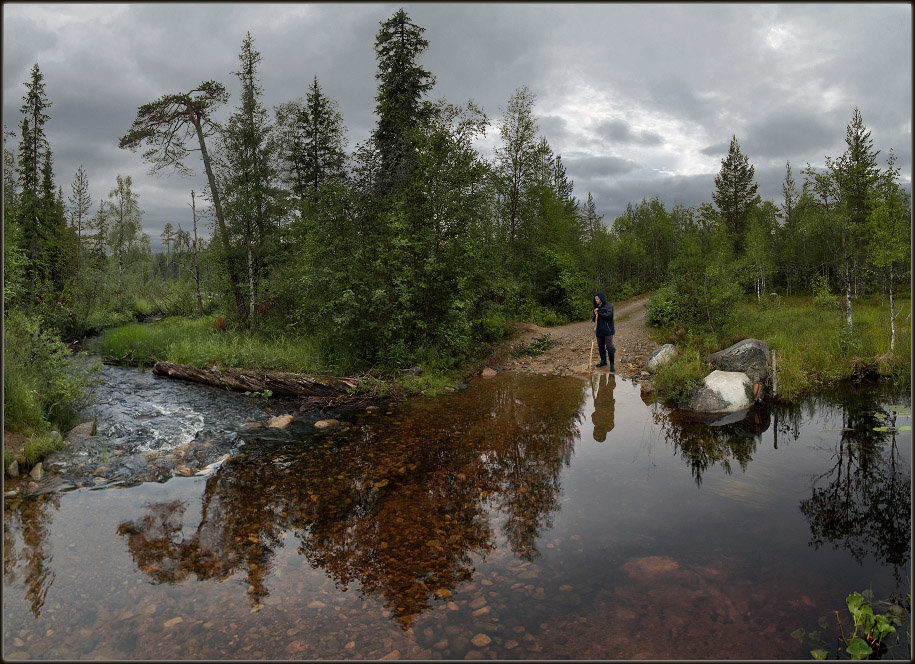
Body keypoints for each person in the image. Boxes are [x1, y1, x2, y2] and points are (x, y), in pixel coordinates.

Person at [592, 292, 615, 371]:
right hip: (599, 330)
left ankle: (612, 364)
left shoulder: (609, 306)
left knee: (609, 347)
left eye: (597, 299)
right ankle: (603, 361)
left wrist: (600, 312)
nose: (596, 300)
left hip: (608, 330)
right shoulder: (596, 307)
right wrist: (595, 314)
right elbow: (593, 319)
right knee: (601, 347)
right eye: (595, 299)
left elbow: (609, 316)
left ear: (601, 298)